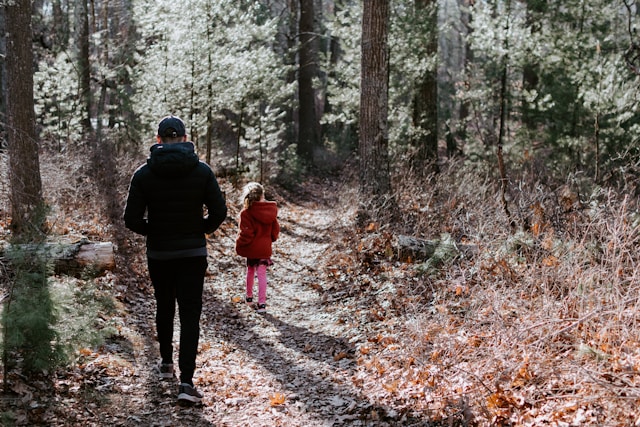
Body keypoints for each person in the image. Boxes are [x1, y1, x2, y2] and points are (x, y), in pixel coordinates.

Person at [123, 115, 227, 404]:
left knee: (164, 305)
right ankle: (186, 382)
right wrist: (199, 230)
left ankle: (166, 363)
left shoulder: (144, 174)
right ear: (183, 139)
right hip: (193, 253)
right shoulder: (202, 171)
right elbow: (219, 212)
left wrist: (154, 231)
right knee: (190, 314)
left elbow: (130, 219)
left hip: (160, 253)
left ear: (158, 140)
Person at [235, 182, 280, 314]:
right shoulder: (270, 211)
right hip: (264, 248)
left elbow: (246, 234)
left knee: (250, 271)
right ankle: (262, 304)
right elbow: (275, 230)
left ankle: (249, 297)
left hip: (251, 248)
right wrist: (269, 239)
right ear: (262, 195)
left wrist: (240, 244)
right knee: (262, 275)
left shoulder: (246, 213)